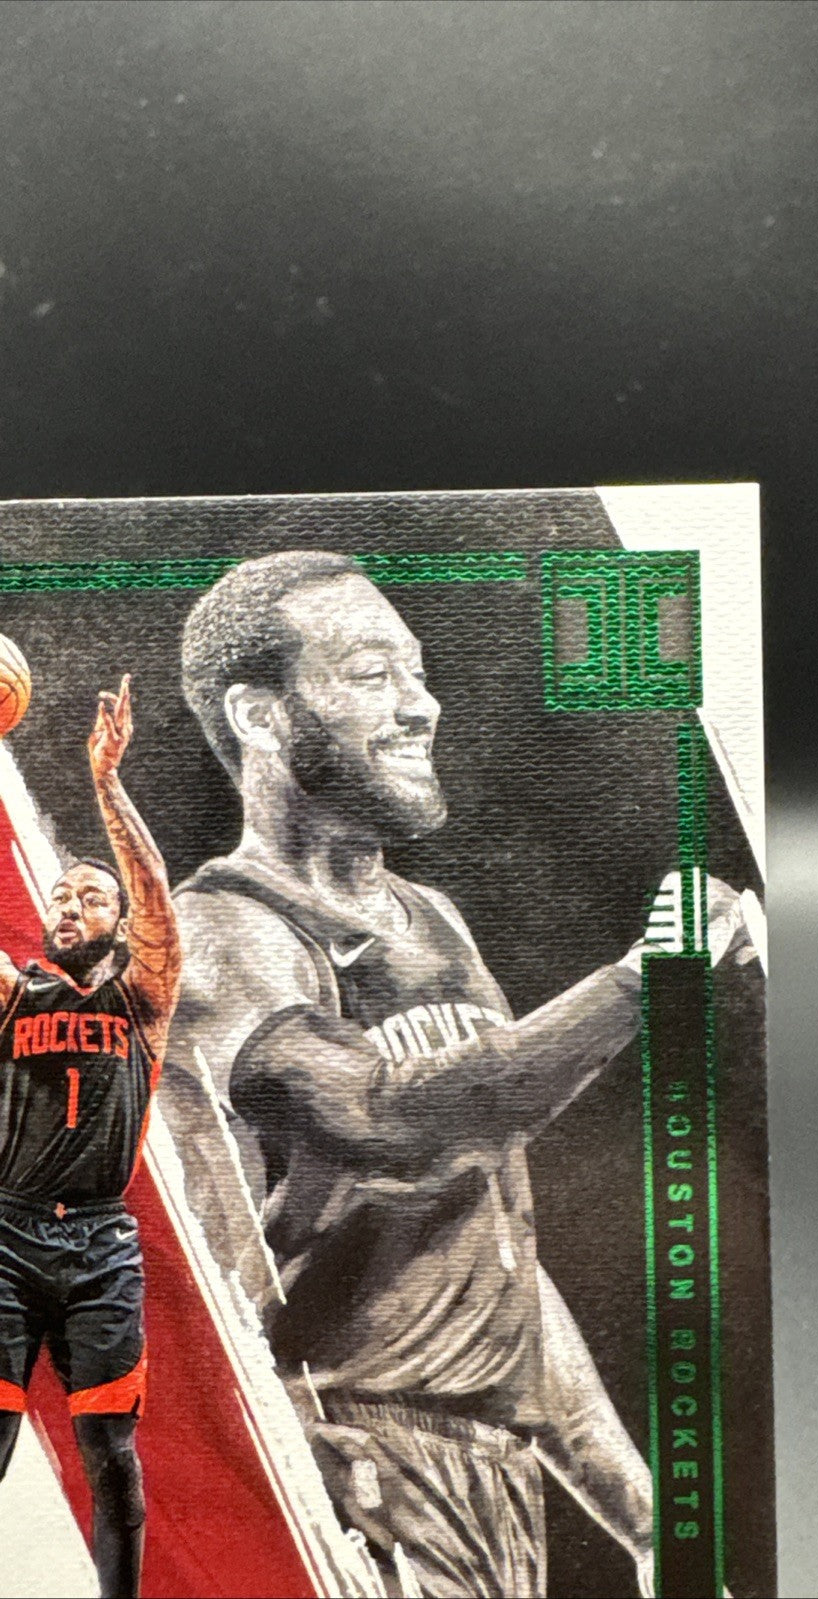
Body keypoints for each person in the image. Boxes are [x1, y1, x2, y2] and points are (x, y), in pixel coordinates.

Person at [160, 551, 750, 1599]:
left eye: (419, 672)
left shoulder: (431, 921)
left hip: (489, 1478)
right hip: (336, 1469)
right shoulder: (214, 931)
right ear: (259, 715)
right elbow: (384, 1118)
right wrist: (641, 982)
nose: (420, 705)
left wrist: (642, 1515)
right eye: (371, 674)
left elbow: (487, 1245)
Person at [0, 675, 181, 1599]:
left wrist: (106, 782)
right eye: (61, 895)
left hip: (101, 1245)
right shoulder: (14, 992)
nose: (69, 905)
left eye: (90, 898)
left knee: (109, 1452)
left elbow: (155, 898)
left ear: (117, 926)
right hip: (6, 1233)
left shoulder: (141, 998)